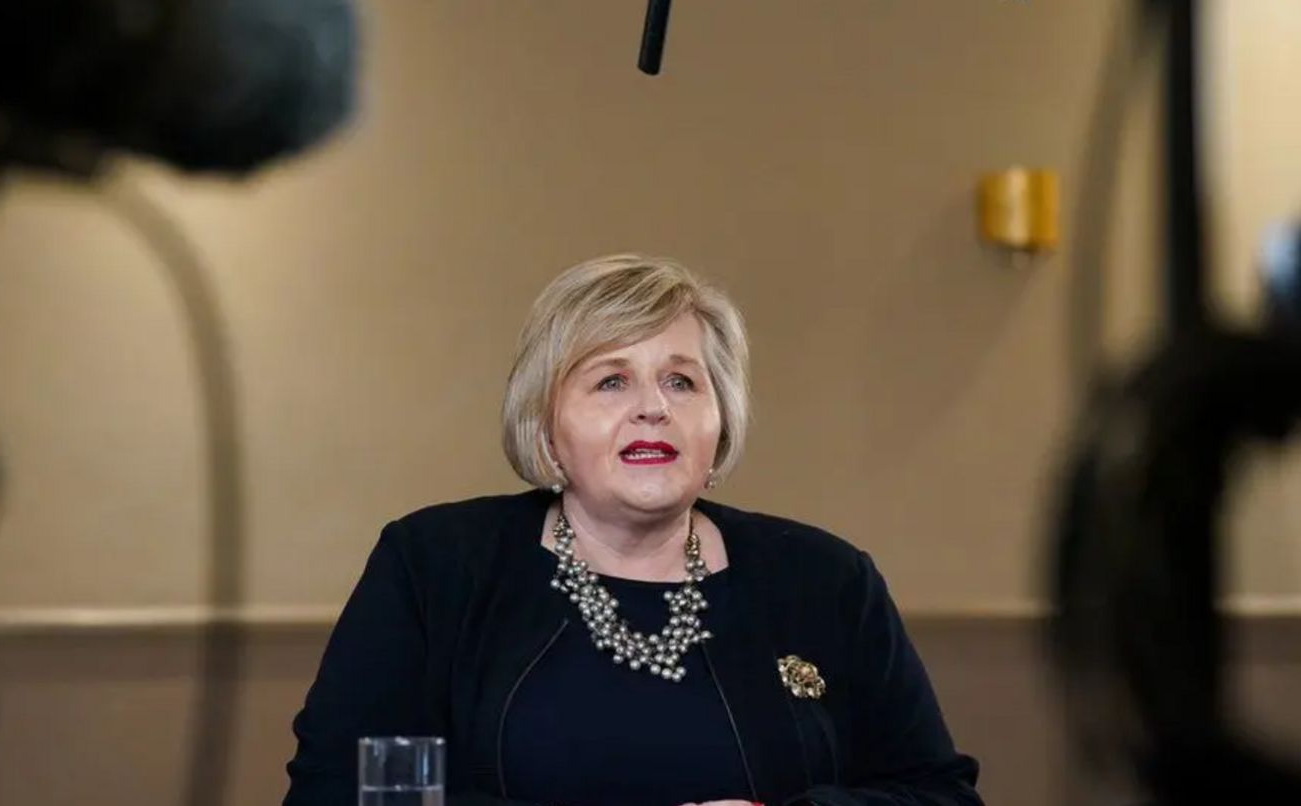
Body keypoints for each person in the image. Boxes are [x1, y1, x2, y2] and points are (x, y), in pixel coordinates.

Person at [281, 254, 984, 806]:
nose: (653, 408)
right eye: (610, 381)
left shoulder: (824, 579)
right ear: (546, 426)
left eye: (682, 381)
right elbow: (349, 793)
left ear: (722, 418)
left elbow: (936, 792)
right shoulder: (438, 568)